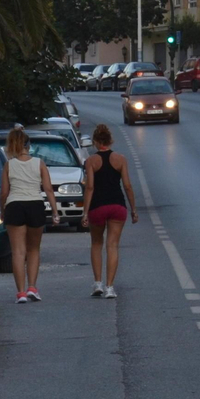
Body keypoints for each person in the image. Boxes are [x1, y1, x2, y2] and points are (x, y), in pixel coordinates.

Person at [1, 126, 60, 303]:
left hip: (14, 205)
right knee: (34, 249)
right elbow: (48, 189)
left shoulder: (9, 165)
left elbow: (4, 192)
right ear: (29, 145)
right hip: (35, 205)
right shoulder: (39, 163)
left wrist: (3, 211)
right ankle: (32, 287)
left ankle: (20, 293)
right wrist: (55, 212)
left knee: (18, 252)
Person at [83, 124, 138, 298]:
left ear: (95, 142)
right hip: (117, 206)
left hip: (97, 207)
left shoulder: (91, 161)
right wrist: (133, 209)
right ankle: (110, 288)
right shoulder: (121, 159)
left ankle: (97, 283)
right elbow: (127, 186)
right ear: (110, 140)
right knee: (113, 245)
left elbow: (90, 187)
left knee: (96, 244)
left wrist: (85, 212)